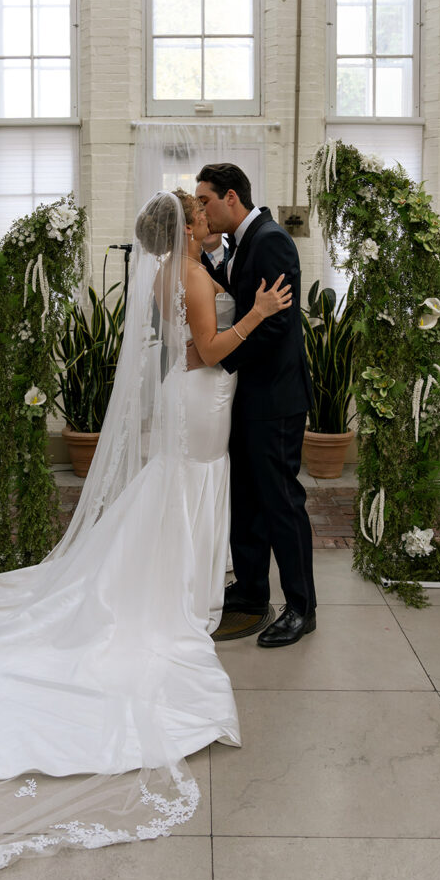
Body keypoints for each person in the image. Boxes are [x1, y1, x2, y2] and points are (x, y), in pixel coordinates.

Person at [0, 191, 290, 880]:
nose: (207, 219)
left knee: (180, 486)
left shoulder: (169, 270)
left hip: (196, 397)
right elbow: (211, 347)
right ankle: (179, 588)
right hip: (205, 393)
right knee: (190, 483)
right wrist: (256, 313)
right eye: (197, 214)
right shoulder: (186, 272)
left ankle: (175, 576)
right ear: (184, 227)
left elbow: (187, 339)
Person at [194, 163, 316, 647]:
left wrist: (215, 355)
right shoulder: (246, 242)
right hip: (249, 396)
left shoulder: (270, 240)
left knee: (281, 502)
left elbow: (276, 325)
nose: (201, 209)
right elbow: (237, 291)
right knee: (246, 500)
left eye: (204, 200)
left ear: (230, 196)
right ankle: (248, 591)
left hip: (275, 397)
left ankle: (301, 607)